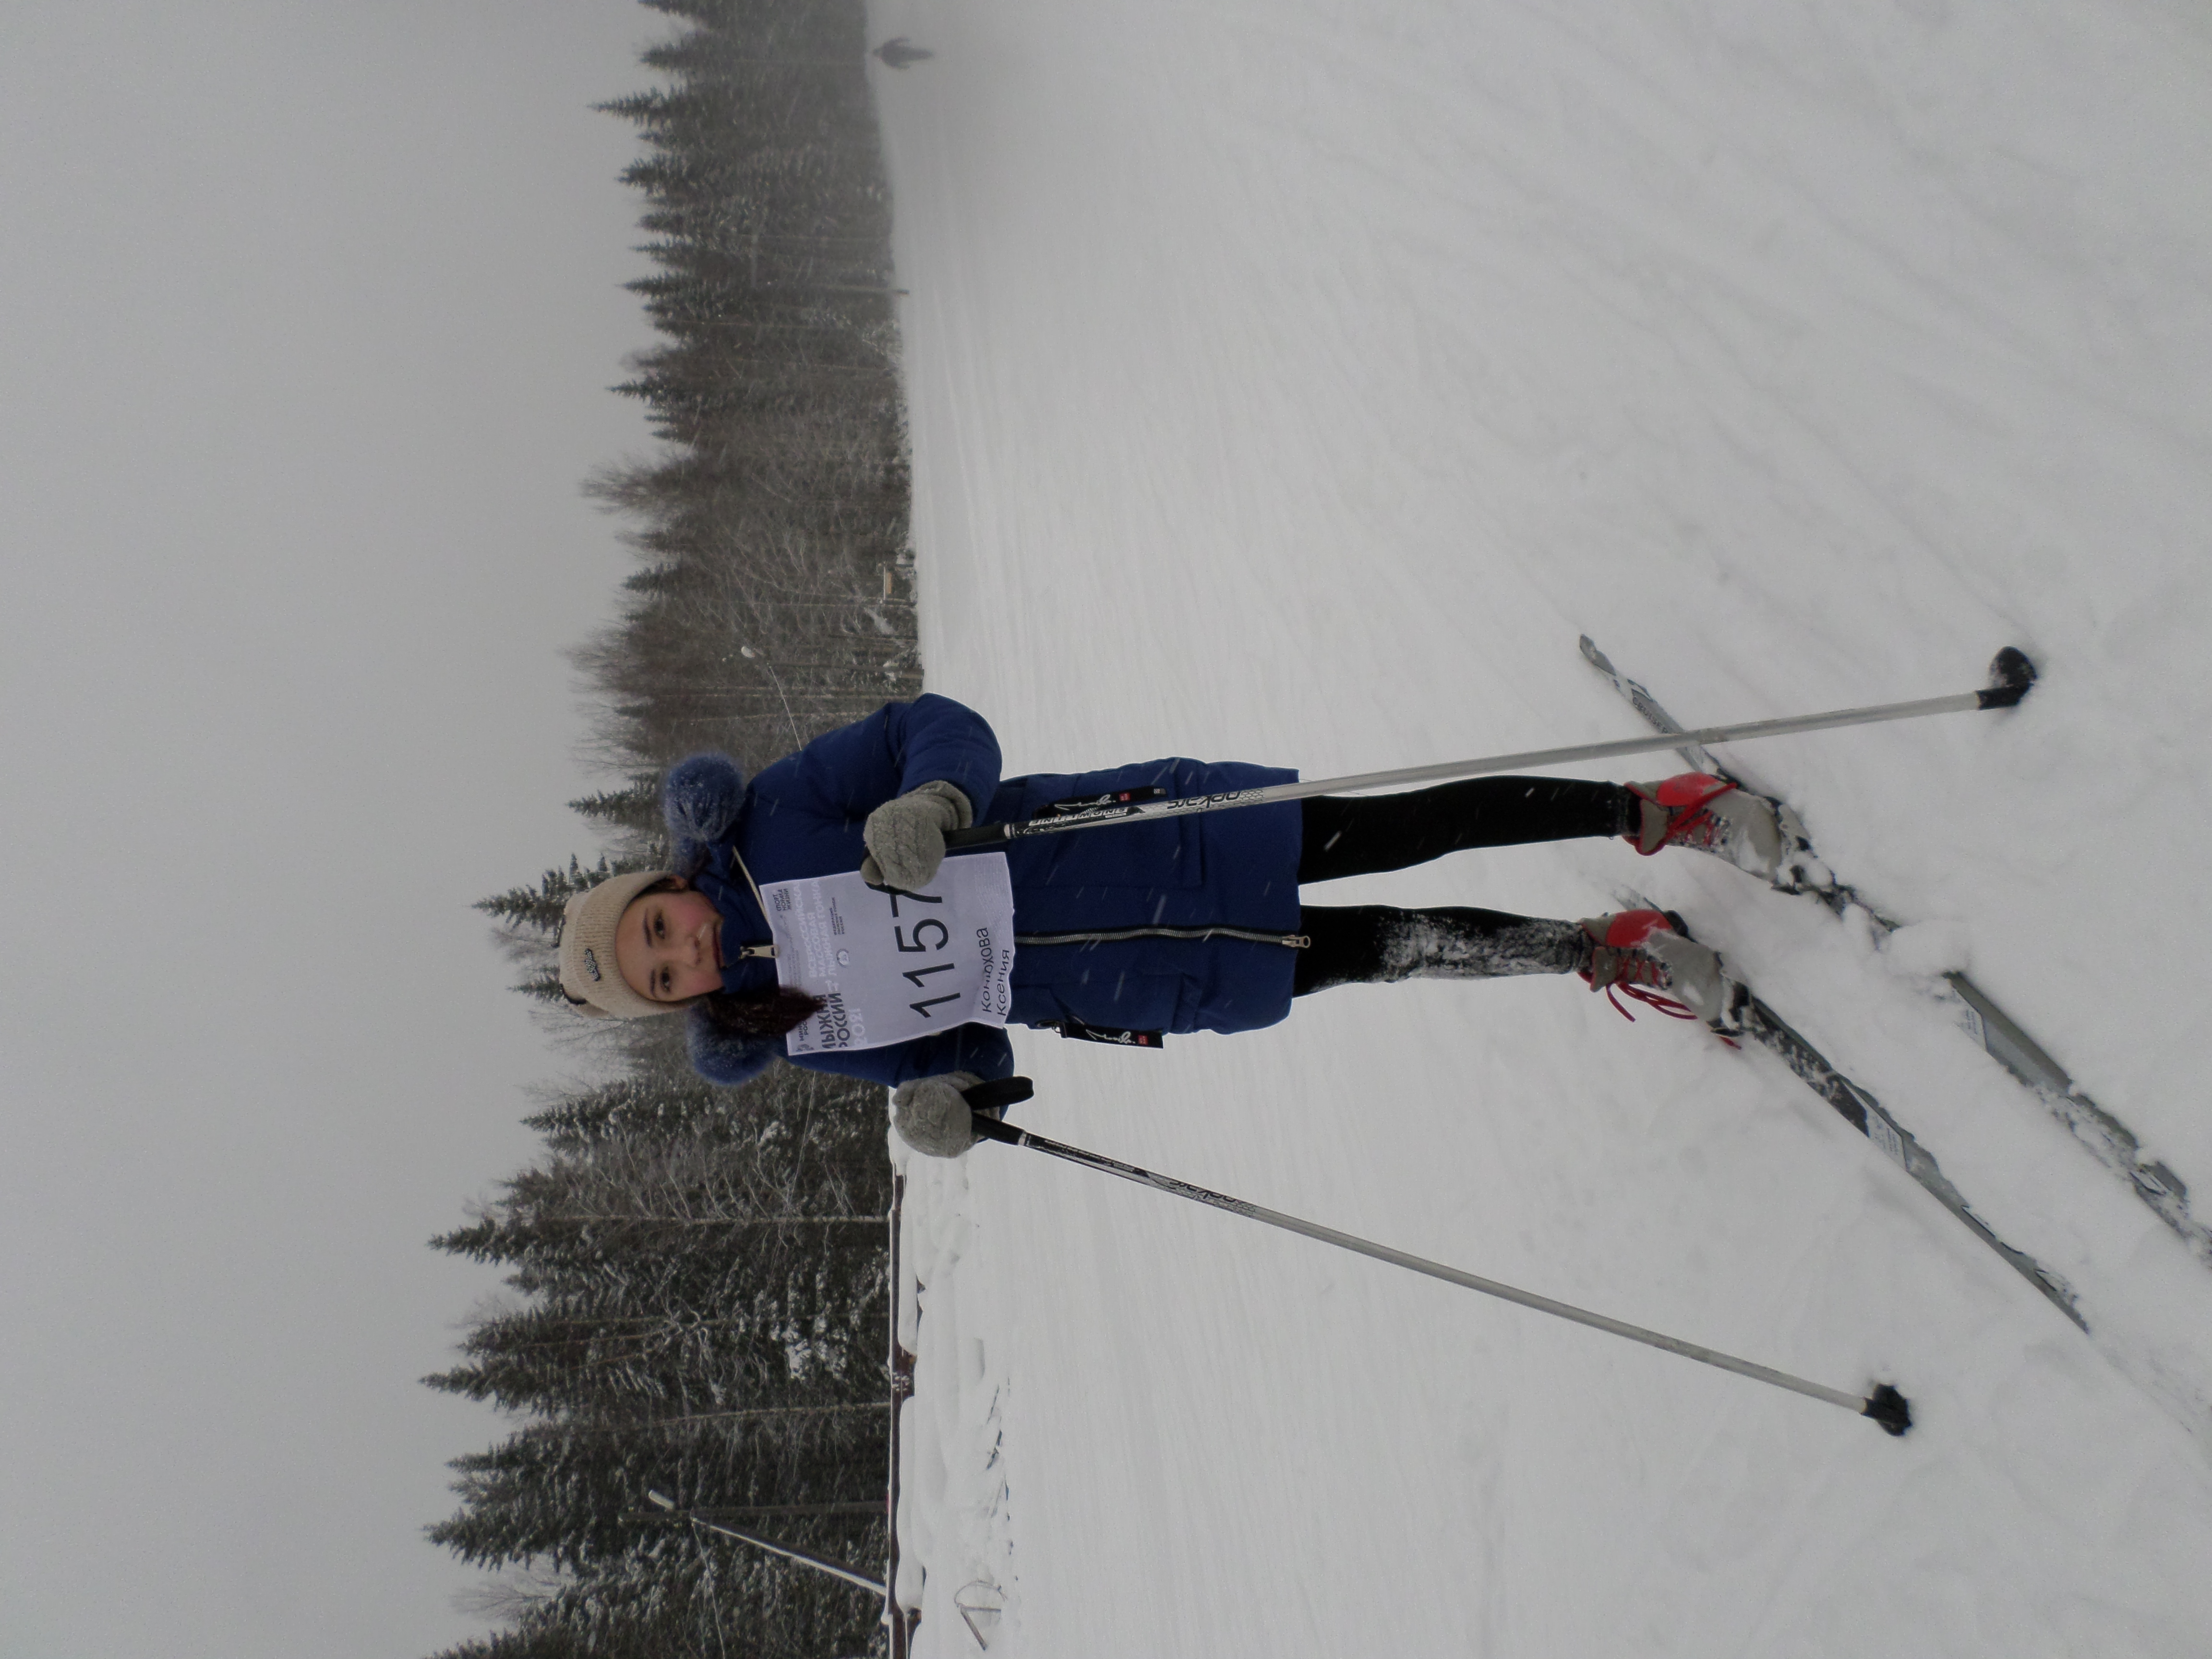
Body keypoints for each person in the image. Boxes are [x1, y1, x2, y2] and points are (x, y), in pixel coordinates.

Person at [556, 694, 1788, 1157]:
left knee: (1417, 828)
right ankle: (1602, 949)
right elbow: (962, 1046)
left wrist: (933, 800)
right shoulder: (799, 1035)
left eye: (655, 930)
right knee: (1398, 945)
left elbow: (935, 726)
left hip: (1150, 842)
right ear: (676, 1005)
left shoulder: (773, 818)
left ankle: (1652, 812)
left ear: (662, 886)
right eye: (659, 978)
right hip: (1146, 979)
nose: (680, 953)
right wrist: (956, 1104)